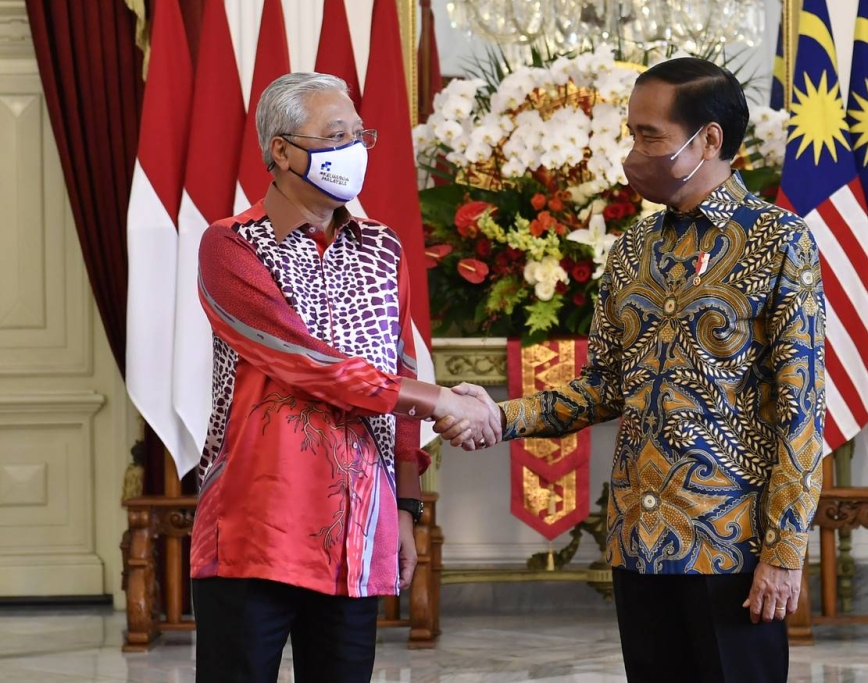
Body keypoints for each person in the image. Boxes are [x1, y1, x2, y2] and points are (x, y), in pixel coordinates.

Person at [438, 58, 826, 683]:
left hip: (729, 546)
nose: (635, 151)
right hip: (639, 540)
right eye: (633, 133)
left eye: (651, 137)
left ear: (708, 141)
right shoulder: (633, 248)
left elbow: (801, 406)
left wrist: (784, 550)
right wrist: (498, 416)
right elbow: (604, 386)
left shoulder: (778, 241)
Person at [189, 71, 500, 683]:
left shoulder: (383, 248)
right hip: (255, 527)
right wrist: (438, 400)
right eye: (336, 135)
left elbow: (398, 369)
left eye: (361, 136)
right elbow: (304, 362)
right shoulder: (230, 246)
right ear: (280, 150)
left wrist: (406, 510)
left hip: (358, 528)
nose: (353, 151)